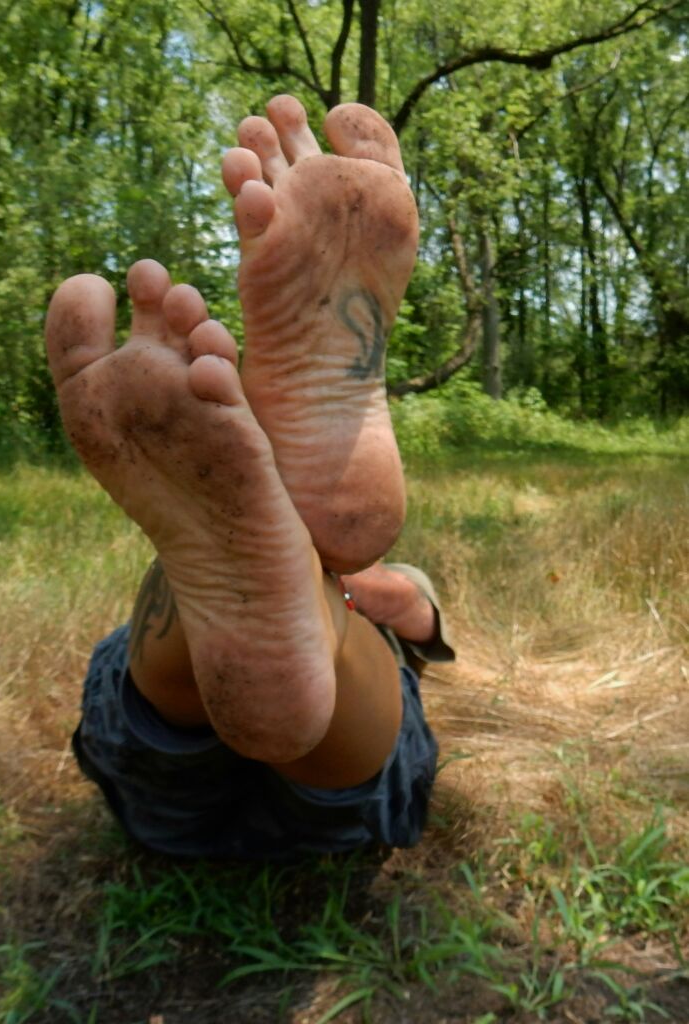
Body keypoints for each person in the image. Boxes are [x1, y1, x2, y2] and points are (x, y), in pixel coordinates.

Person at [44, 95, 455, 861]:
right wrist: (364, 586)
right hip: (345, 792)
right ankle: (307, 599)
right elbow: (421, 619)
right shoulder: (384, 573)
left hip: (149, 775)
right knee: (348, 616)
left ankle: (241, 573)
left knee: (181, 638)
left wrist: (329, 567)